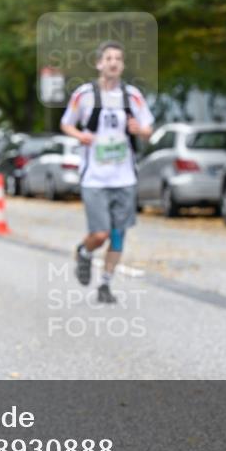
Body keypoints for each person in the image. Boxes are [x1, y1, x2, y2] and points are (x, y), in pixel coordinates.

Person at [60, 40, 154, 304]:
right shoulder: (84, 94)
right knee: (100, 234)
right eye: (109, 58)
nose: (113, 63)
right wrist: (81, 135)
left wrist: (140, 130)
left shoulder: (132, 95)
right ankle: (84, 251)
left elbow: (148, 128)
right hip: (95, 178)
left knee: (117, 235)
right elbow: (66, 123)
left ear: (122, 65)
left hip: (125, 177)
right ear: (99, 63)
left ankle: (105, 284)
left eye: (118, 59)